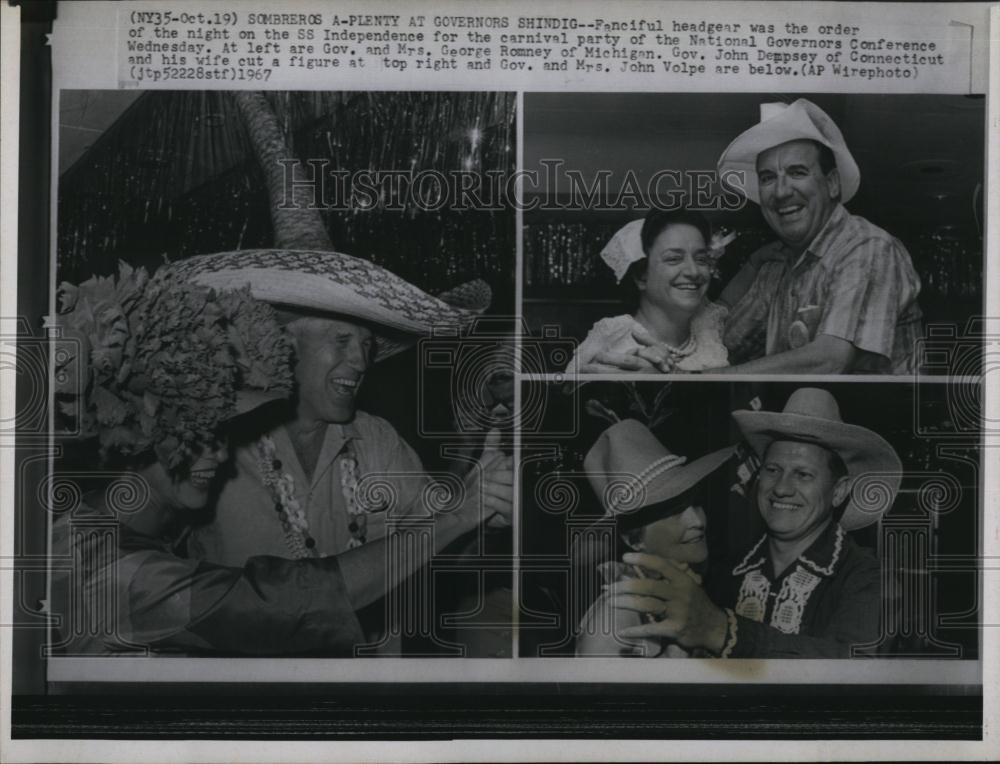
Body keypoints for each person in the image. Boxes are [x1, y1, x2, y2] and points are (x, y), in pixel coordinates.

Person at [171, 249, 514, 650]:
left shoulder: (378, 440)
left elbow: (446, 557)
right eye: (342, 339)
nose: (362, 360)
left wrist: (487, 512)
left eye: (367, 345)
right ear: (282, 345)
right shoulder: (211, 444)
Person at [605, 388, 901, 658]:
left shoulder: (869, 579)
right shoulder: (724, 573)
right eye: (772, 470)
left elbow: (857, 666)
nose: (782, 488)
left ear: (839, 491)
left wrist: (722, 630)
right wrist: (639, 579)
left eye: (803, 474)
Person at [716, 99, 922, 374]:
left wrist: (719, 376)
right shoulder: (775, 266)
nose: (780, 192)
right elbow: (723, 343)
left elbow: (830, 360)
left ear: (832, 183)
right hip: (790, 415)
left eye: (797, 172)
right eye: (767, 178)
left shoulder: (867, 247)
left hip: (874, 416)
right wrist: (752, 265)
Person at [572, 419, 733, 657]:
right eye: (674, 512)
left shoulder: (697, 585)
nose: (697, 521)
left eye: (696, 503)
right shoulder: (614, 622)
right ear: (634, 539)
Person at [566, 210, 734, 374]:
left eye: (701, 259)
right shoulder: (613, 340)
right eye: (674, 259)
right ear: (641, 276)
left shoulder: (711, 326)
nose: (694, 271)